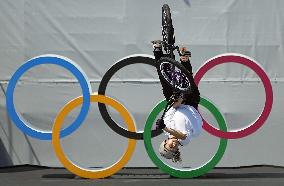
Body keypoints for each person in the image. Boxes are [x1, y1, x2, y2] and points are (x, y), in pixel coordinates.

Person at [152, 40, 202, 163]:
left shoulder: (166, 125)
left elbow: (173, 107)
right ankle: (184, 58)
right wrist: (166, 128)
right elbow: (182, 135)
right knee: (188, 82)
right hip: (191, 104)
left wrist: (178, 99)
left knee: (165, 80)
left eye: (169, 146)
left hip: (178, 104)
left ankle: (157, 49)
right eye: (174, 149)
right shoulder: (185, 141)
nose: (173, 145)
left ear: (165, 142)